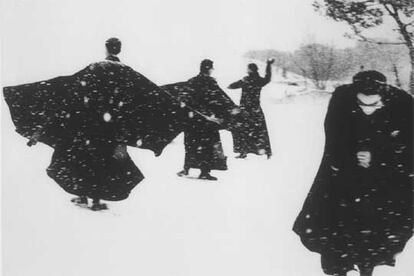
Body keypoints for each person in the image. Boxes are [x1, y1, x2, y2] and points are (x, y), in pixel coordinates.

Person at [3, 38, 187, 211]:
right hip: (111, 130)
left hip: (88, 127)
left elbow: (68, 91)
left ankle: (83, 195)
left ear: (106, 49)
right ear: (119, 50)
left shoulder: (95, 69)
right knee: (103, 163)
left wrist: (42, 127)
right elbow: (149, 98)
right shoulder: (128, 74)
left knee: (82, 160)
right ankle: (97, 200)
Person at [293, 71, 413, 276]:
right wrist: (350, 157)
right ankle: (340, 264)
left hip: (384, 178)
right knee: (338, 222)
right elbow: (333, 136)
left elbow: (409, 142)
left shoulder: (403, 104)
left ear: (384, 97)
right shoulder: (341, 101)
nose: (367, 109)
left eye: (373, 105)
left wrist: (379, 155)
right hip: (343, 177)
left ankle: (368, 264)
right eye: (361, 104)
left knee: (378, 223)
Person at [174, 59, 238, 180]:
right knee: (207, 145)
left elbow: (183, 97)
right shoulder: (210, 82)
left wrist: (193, 108)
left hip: (193, 120)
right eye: (212, 68)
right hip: (207, 121)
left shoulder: (192, 81)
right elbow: (221, 98)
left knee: (190, 144)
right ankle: (204, 171)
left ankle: (186, 168)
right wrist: (232, 108)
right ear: (209, 69)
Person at [228, 59, 274, 159]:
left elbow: (232, 86)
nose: (246, 70)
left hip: (245, 109)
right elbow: (268, 77)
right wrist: (268, 65)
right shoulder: (260, 80)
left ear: (250, 70)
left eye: (247, 69)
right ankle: (266, 151)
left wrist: (234, 84)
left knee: (243, 130)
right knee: (260, 131)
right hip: (256, 109)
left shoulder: (246, 80)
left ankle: (243, 151)